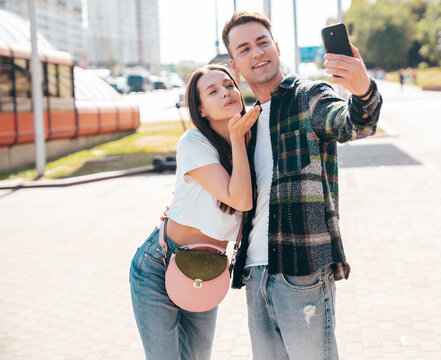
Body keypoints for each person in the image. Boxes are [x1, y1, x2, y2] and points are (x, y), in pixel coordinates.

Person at [222, 11, 382, 360]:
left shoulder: (309, 97)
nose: (257, 53)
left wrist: (363, 90)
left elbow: (352, 123)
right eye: (245, 48)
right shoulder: (245, 125)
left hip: (302, 270)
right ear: (235, 64)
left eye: (263, 42)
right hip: (253, 272)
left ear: (277, 47)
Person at [129, 65, 260, 360]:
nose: (226, 92)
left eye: (229, 85)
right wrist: (237, 138)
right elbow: (239, 200)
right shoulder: (194, 142)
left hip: (208, 267)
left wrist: (241, 139)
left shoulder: (253, 141)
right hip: (160, 262)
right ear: (200, 109)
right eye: (213, 91)